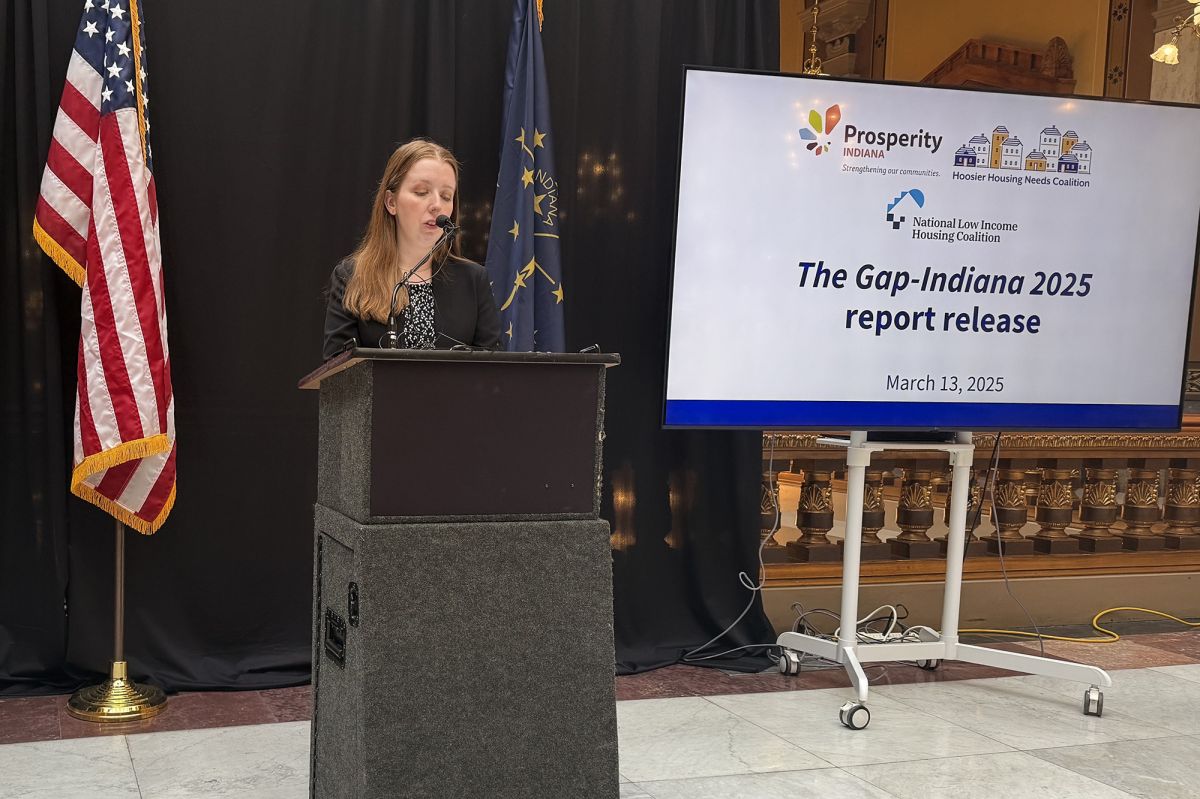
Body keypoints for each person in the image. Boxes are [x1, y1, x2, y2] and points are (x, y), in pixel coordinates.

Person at [322, 139, 501, 359]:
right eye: (421, 192)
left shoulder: (474, 280)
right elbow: (338, 374)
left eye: (446, 196)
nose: (437, 205)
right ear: (391, 203)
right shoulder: (351, 276)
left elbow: (494, 373)